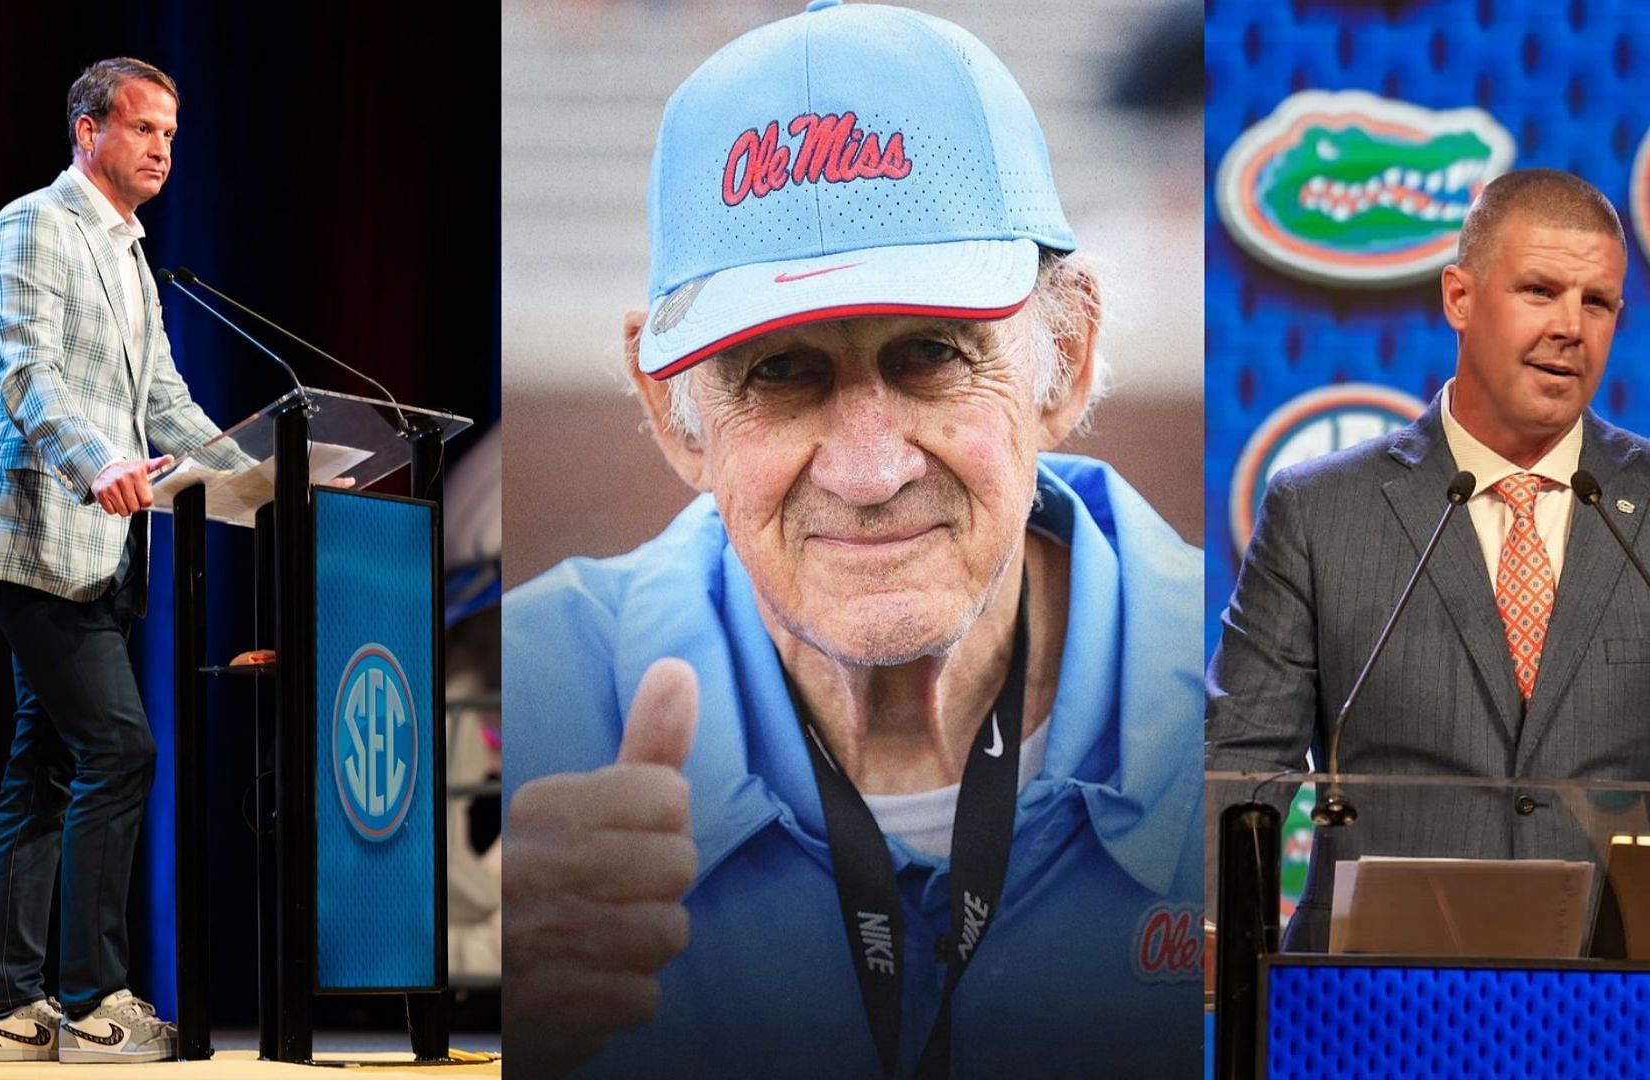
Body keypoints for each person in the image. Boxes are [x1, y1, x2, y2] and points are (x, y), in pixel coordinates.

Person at [503, 3, 1204, 1076]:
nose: (870, 470)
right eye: (781, 372)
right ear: (671, 413)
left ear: (1063, 359)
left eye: (930, 352)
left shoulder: (1272, 708)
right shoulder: (505, 710)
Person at [1205, 168, 1650, 950]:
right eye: (1539, 291)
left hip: (1625, 1014)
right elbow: (1237, 774)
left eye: (1597, 304)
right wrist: (1217, 944)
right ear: (1459, 297)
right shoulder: (1320, 512)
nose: (1570, 327)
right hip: (1368, 1008)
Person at [0, 57, 218, 1064]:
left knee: (51, 766)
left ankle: (7, 1010)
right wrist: (98, 458)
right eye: (144, 129)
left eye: (170, 135)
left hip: (103, 552)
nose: (160, 149)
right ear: (87, 129)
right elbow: (28, 372)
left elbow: (166, 399)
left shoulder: (135, 259)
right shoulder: (35, 226)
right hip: (35, 536)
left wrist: (264, 466)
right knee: (120, 748)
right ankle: (94, 996)